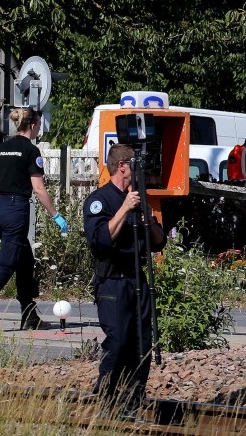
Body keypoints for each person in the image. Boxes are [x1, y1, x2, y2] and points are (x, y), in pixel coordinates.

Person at [0, 107, 68, 334]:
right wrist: (55, 215)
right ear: (33, 125)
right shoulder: (31, 150)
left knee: (24, 260)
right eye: (39, 123)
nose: (40, 127)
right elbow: (38, 189)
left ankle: (29, 315)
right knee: (7, 263)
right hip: (16, 210)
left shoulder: (2, 148)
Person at [83, 143, 167, 421]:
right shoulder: (100, 199)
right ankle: (106, 400)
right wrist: (124, 209)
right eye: (135, 165)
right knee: (118, 343)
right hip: (112, 282)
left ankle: (130, 406)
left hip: (138, 281)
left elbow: (158, 243)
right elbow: (100, 240)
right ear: (122, 166)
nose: (139, 171)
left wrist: (151, 223)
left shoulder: (138, 198)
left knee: (142, 345)